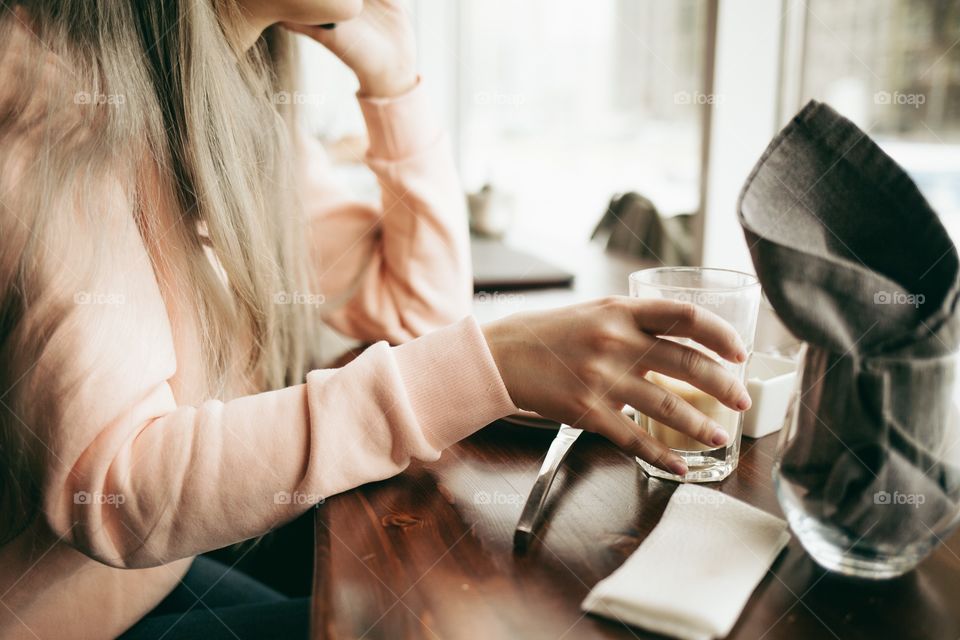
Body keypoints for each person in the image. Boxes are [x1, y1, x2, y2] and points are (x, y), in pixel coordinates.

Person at [0, 1, 752, 638]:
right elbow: (115, 490)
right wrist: (486, 363)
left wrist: (393, 78)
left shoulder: (233, 104)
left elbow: (413, 307)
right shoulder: (54, 102)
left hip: (159, 581)